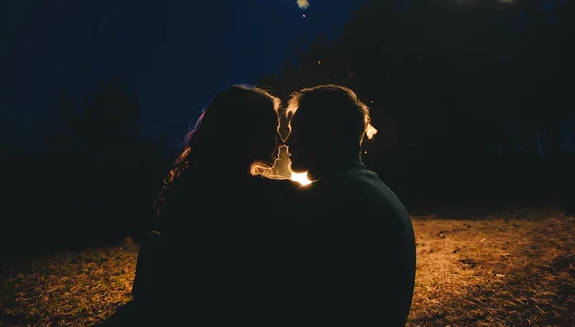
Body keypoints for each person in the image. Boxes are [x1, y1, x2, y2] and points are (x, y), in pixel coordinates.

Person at [131, 84, 298, 325]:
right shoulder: (272, 194)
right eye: (273, 130)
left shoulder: (187, 188)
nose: (281, 141)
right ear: (245, 133)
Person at [285, 84, 417, 326]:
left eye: (298, 130)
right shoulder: (373, 190)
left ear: (328, 134)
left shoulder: (328, 198)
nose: (286, 141)